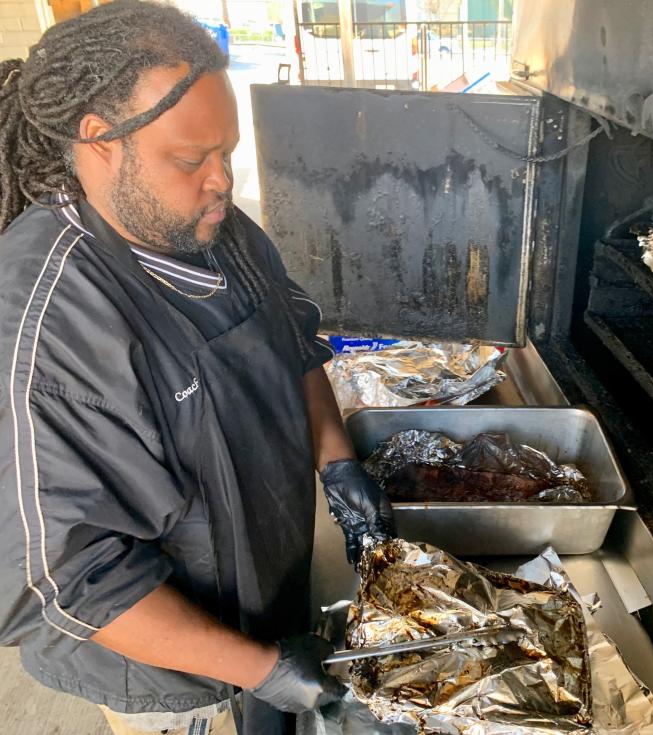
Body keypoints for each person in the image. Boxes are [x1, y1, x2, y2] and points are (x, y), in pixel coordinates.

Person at [0, 2, 395, 733]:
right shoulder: (46, 319)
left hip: (269, 597)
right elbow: (72, 579)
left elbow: (296, 341)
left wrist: (337, 463)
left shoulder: (220, 228)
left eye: (228, 152)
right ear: (100, 140)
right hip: (168, 672)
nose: (223, 181)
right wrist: (263, 670)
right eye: (191, 159)